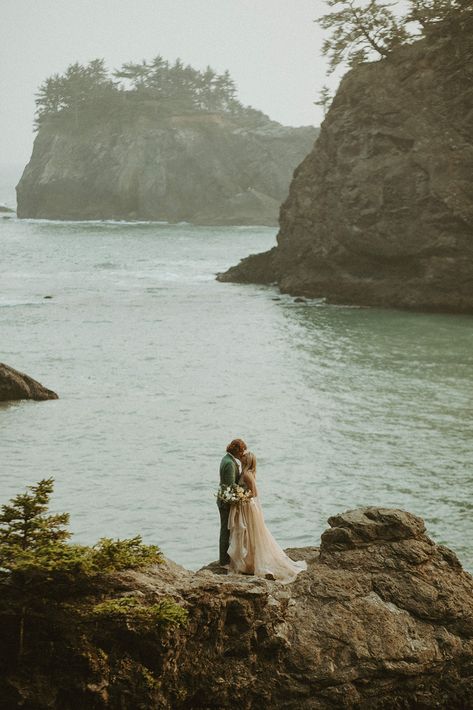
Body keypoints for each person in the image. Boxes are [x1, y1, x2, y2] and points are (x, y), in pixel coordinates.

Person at [228, 451, 307, 583]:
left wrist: (240, 497)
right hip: (246, 506)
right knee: (247, 535)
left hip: (248, 506)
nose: (241, 458)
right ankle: (249, 562)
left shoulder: (247, 475)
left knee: (251, 534)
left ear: (246, 461)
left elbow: (254, 493)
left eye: (243, 458)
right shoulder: (246, 473)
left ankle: (251, 562)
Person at [217, 438, 247, 566]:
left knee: (227, 530)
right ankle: (224, 561)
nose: (243, 454)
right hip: (226, 501)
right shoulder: (229, 463)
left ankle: (226, 558)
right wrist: (245, 490)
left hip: (225, 499)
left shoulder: (227, 459)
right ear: (236, 450)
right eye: (242, 451)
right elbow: (230, 485)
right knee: (226, 530)